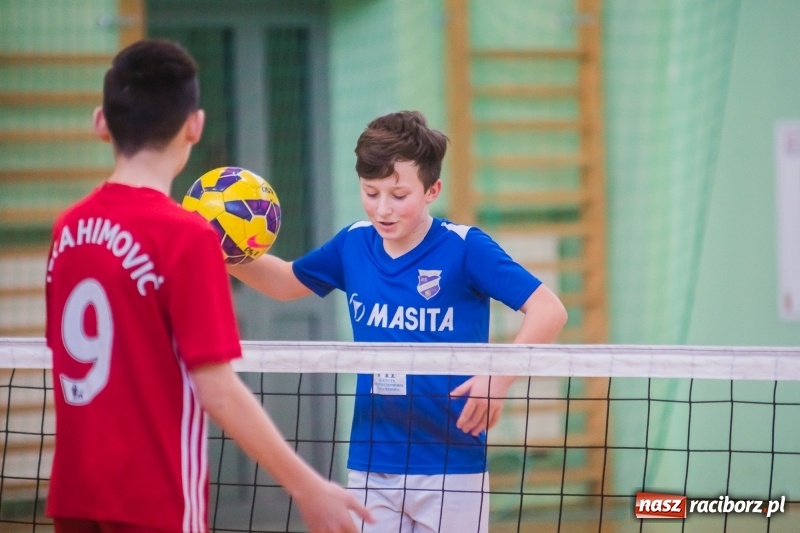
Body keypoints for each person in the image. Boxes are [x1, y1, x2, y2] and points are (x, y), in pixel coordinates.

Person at [44, 39, 371, 533]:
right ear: (194, 125)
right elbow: (217, 390)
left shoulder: (67, 228)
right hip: (152, 498)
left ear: (101, 122)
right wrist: (308, 487)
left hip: (74, 492)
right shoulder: (186, 236)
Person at [228, 110, 568, 533]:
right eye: (371, 193)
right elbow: (284, 282)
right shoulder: (353, 243)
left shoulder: (465, 248)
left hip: (450, 464)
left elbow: (549, 309)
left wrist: (497, 377)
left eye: (398, 195)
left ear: (432, 190)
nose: (383, 209)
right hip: (372, 461)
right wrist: (220, 250)